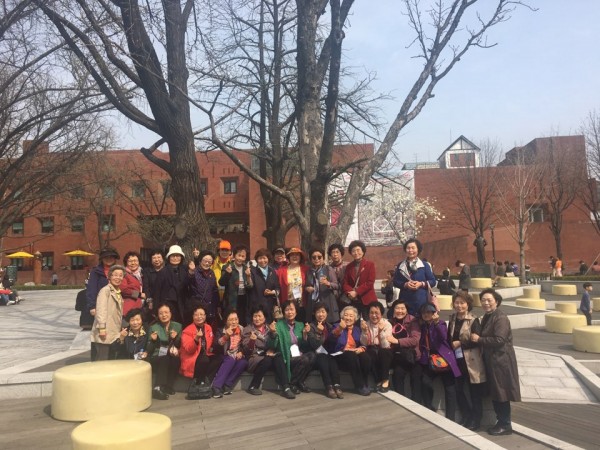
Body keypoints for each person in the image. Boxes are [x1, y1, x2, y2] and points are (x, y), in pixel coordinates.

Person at [471, 288, 521, 436]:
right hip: (492, 361)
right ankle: (501, 422)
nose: (486, 303)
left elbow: (500, 340)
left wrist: (479, 339)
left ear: (497, 302)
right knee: (497, 392)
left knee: (502, 392)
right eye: (483, 300)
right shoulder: (488, 316)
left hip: (501, 361)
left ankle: (505, 424)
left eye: (489, 300)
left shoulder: (500, 318)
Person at [447, 291, 487, 431]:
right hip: (457, 360)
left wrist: (460, 343)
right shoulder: (452, 319)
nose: (459, 305)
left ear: (468, 304)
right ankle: (467, 415)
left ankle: (476, 420)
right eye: (456, 302)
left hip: (471, 361)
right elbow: (449, 338)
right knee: (458, 389)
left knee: (474, 392)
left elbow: (475, 341)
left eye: (462, 303)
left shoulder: (474, 320)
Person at [419, 303, 460, 421]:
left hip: (444, 359)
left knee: (450, 388)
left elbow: (443, 336)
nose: (426, 315)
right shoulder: (423, 326)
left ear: (434, 313)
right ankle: (429, 408)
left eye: (429, 312)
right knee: (425, 382)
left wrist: (436, 323)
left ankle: (451, 418)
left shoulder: (440, 323)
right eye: (424, 313)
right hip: (431, 360)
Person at [266, 300, 315, 396]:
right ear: (283, 312)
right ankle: (292, 384)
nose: (289, 312)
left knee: (313, 356)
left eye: (292, 309)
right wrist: (273, 333)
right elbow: (272, 345)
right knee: (304, 359)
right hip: (286, 357)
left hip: (298, 355)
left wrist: (305, 334)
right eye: (287, 310)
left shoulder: (300, 324)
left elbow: (304, 346)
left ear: (296, 312)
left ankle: (299, 382)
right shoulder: (278, 325)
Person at [242, 306, 288, 396]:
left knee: (278, 357)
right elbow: (246, 350)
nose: (257, 318)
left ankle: (286, 387)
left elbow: (276, 344)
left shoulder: (270, 328)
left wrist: (273, 333)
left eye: (259, 316)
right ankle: (253, 386)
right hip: (254, 358)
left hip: (268, 357)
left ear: (265, 317)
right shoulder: (247, 329)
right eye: (255, 316)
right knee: (268, 359)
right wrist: (252, 341)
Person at [179, 306, 223, 395]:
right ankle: (200, 381)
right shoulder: (187, 330)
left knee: (218, 359)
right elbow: (189, 350)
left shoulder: (208, 327)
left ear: (205, 316)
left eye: (202, 314)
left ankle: (206, 382)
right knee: (204, 360)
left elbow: (211, 343)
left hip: (205, 354)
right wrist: (196, 339)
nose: (199, 317)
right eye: (196, 315)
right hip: (192, 357)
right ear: (193, 316)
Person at [330, 305, 372, 396]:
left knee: (365, 357)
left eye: (351, 316)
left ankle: (365, 382)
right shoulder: (336, 326)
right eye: (346, 315)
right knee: (351, 355)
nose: (348, 318)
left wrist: (362, 348)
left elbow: (363, 343)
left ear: (355, 318)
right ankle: (359, 385)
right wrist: (339, 329)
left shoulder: (357, 329)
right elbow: (331, 339)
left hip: (354, 354)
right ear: (342, 317)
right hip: (340, 355)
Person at [387, 299, 422, 403]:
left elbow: (415, 340)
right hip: (399, 357)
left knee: (416, 378)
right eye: (397, 308)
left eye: (402, 308)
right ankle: (401, 403)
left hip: (413, 357)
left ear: (407, 310)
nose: (400, 311)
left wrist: (397, 341)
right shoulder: (390, 322)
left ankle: (416, 404)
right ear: (393, 310)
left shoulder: (413, 321)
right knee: (397, 375)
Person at [306, 304, 343, 399]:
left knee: (332, 359)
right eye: (318, 312)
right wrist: (318, 332)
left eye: (323, 312)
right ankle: (328, 386)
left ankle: (337, 385)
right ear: (314, 313)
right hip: (316, 355)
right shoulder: (311, 326)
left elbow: (332, 343)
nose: (321, 314)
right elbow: (313, 345)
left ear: (327, 313)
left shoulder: (330, 326)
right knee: (323, 357)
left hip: (328, 354)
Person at [90, 264, 126, 361]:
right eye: (115, 275)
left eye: (120, 275)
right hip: (104, 331)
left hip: (113, 330)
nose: (118, 278)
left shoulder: (117, 292)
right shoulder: (105, 290)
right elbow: (101, 310)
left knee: (110, 359)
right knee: (102, 359)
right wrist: (102, 328)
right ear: (109, 276)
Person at [147, 303, 182, 400]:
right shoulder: (153, 327)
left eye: (166, 312)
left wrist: (175, 338)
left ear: (170, 313)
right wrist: (153, 340)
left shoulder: (178, 326)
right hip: (157, 355)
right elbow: (149, 348)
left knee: (176, 360)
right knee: (164, 358)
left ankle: (168, 386)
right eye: (161, 313)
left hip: (172, 353)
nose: (164, 315)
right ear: (158, 315)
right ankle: (157, 387)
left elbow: (180, 344)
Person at [393, 238, 436, 317]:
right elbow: (395, 281)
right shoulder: (401, 265)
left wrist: (421, 284)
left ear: (418, 249)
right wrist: (405, 284)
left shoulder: (425, 265)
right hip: (405, 300)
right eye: (408, 248)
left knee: (421, 321)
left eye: (413, 248)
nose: (410, 250)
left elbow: (433, 281)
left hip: (421, 301)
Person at [212, 310, 248, 398]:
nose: (234, 322)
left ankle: (227, 384)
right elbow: (216, 346)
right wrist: (226, 336)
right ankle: (216, 386)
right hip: (223, 354)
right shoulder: (221, 330)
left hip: (236, 353)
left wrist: (241, 351)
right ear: (226, 321)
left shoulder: (242, 329)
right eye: (231, 320)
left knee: (243, 362)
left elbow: (244, 344)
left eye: (236, 319)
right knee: (230, 360)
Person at [86, 247, 119, 343]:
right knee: (101, 329)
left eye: (111, 257)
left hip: (115, 303)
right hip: (101, 305)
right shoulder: (96, 271)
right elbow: (91, 289)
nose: (109, 259)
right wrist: (92, 306)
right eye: (106, 257)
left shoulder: (119, 270)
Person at [182, 250, 220, 327]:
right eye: (205, 261)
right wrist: (191, 272)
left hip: (209, 309)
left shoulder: (211, 273)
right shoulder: (194, 271)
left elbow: (215, 290)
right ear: (200, 260)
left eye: (210, 261)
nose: (207, 263)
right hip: (196, 308)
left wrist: (217, 305)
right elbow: (186, 283)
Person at [360, 302, 392, 393]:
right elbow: (364, 343)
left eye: (376, 313)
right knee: (370, 353)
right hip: (372, 349)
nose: (374, 315)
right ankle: (378, 381)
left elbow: (386, 345)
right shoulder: (366, 324)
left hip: (385, 350)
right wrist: (364, 331)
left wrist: (381, 332)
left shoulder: (387, 324)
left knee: (383, 352)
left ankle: (385, 380)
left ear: (381, 314)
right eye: (371, 313)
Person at [219, 245, 253, 326]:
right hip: (231, 300)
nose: (240, 258)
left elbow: (250, 287)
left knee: (242, 321)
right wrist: (227, 273)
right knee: (231, 321)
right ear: (234, 255)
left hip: (244, 299)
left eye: (243, 256)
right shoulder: (227, 266)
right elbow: (221, 283)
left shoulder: (246, 268)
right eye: (239, 255)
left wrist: (248, 276)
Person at [342, 240, 377, 320]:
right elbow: (345, 283)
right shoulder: (349, 266)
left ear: (363, 251)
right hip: (354, 300)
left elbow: (370, 282)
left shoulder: (370, 264)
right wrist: (350, 292)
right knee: (354, 322)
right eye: (353, 251)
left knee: (369, 321)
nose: (356, 253)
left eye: (358, 250)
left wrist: (356, 292)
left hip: (367, 299)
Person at [305, 248, 340, 324]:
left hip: (327, 301)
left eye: (319, 257)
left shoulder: (328, 269)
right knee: (314, 325)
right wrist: (307, 288)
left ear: (323, 258)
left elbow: (337, 285)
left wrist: (328, 283)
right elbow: (306, 285)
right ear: (311, 259)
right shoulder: (309, 271)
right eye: (314, 257)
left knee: (328, 325)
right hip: (313, 302)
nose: (316, 259)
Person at [154, 245, 188, 323]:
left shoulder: (185, 270)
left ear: (181, 257)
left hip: (182, 305)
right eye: (173, 256)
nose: (175, 258)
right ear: (169, 257)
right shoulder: (163, 272)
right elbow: (157, 291)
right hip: (167, 305)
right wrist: (156, 309)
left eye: (178, 256)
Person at [247, 248, 281, 323]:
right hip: (256, 308)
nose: (262, 260)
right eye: (260, 258)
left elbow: (278, 288)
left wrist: (272, 292)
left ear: (268, 259)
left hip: (270, 308)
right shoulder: (252, 271)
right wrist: (248, 277)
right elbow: (249, 287)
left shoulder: (272, 271)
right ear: (256, 260)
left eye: (264, 258)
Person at [276, 248, 309, 322]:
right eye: (292, 255)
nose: (294, 257)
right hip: (287, 305)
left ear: (300, 257)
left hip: (301, 304)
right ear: (289, 257)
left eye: (297, 255)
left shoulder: (306, 269)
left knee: (301, 324)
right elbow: (277, 285)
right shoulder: (281, 270)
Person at [120, 251, 147, 318]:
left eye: (135, 261)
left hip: (141, 306)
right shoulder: (123, 274)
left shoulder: (142, 273)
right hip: (129, 306)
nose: (133, 263)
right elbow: (124, 290)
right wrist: (139, 295)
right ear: (126, 263)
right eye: (130, 261)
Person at [145, 249, 165, 316]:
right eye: (154, 258)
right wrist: (149, 301)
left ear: (163, 258)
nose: (156, 260)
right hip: (153, 302)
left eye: (159, 257)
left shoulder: (167, 270)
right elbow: (146, 287)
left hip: (165, 301)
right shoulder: (147, 271)